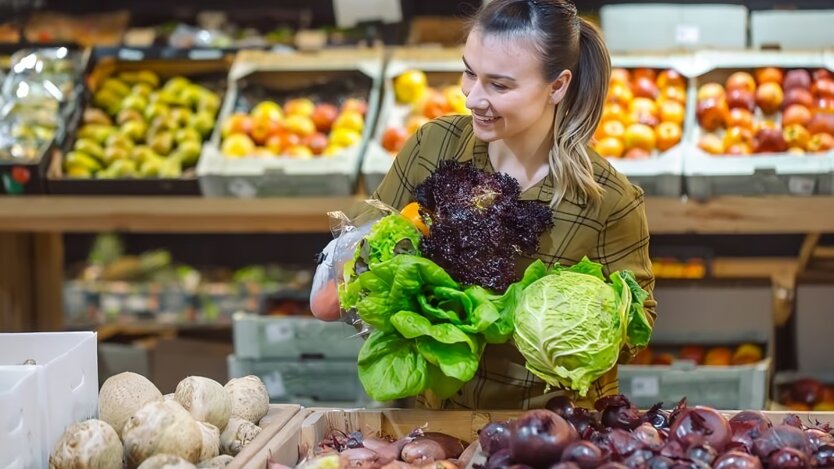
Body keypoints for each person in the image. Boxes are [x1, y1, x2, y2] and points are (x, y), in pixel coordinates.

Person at [310, 0, 656, 410]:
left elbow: (637, 326)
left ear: (558, 85)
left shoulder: (607, 201)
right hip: (433, 421)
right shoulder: (432, 145)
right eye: (469, 72)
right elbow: (356, 261)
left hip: (550, 428)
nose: (473, 98)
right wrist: (364, 268)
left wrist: (559, 327)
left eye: (499, 85)